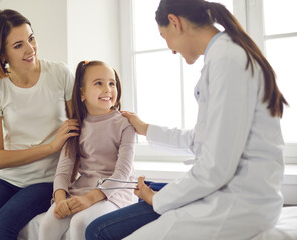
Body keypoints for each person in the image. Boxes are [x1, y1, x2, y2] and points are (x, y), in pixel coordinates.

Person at [85, 0, 289, 239]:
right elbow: (202, 139)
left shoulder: (227, 60)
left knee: (99, 232)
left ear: (175, 22)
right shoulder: (223, 56)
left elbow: (215, 167)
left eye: (164, 36)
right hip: (227, 190)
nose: (170, 48)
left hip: (237, 201)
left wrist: (157, 198)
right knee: (102, 225)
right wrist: (145, 129)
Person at [0, 9, 79, 240]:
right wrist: (50, 147)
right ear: (1, 54)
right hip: (6, 178)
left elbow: (78, 131)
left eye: (31, 38)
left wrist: (69, 175)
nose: (30, 48)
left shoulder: (59, 73)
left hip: (47, 180)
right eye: (18, 45)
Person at [38, 60, 136, 239]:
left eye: (111, 83)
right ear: (82, 92)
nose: (107, 89)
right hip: (82, 189)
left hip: (114, 193)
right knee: (47, 224)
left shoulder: (125, 124)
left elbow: (122, 173)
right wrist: (60, 201)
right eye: (99, 83)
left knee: (80, 222)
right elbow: (63, 172)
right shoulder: (75, 126)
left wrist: (88, 199)